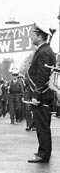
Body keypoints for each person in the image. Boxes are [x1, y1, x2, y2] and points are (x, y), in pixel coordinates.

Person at [27, 24, 56, 163]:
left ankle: (43, 154)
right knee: (43, 124)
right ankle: (43, 151)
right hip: (44, 94)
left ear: (40, 37)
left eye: (34, 35)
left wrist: (35, 95)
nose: (31, 37)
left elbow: (42, 76)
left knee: (42, 125)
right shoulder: (44, 50)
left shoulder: (44, 52)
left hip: (42, 95)